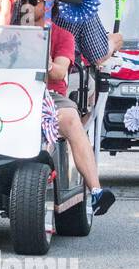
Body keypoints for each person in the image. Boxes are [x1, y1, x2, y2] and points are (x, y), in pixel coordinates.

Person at [47, 22, 115, 216]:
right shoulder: (7, 27)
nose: (27, 4)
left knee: (70, 118)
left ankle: (96, 190)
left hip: (48, 92)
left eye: (35, 1)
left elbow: (59, 72)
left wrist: (37, 53)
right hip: (8, 89)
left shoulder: (61, 34)